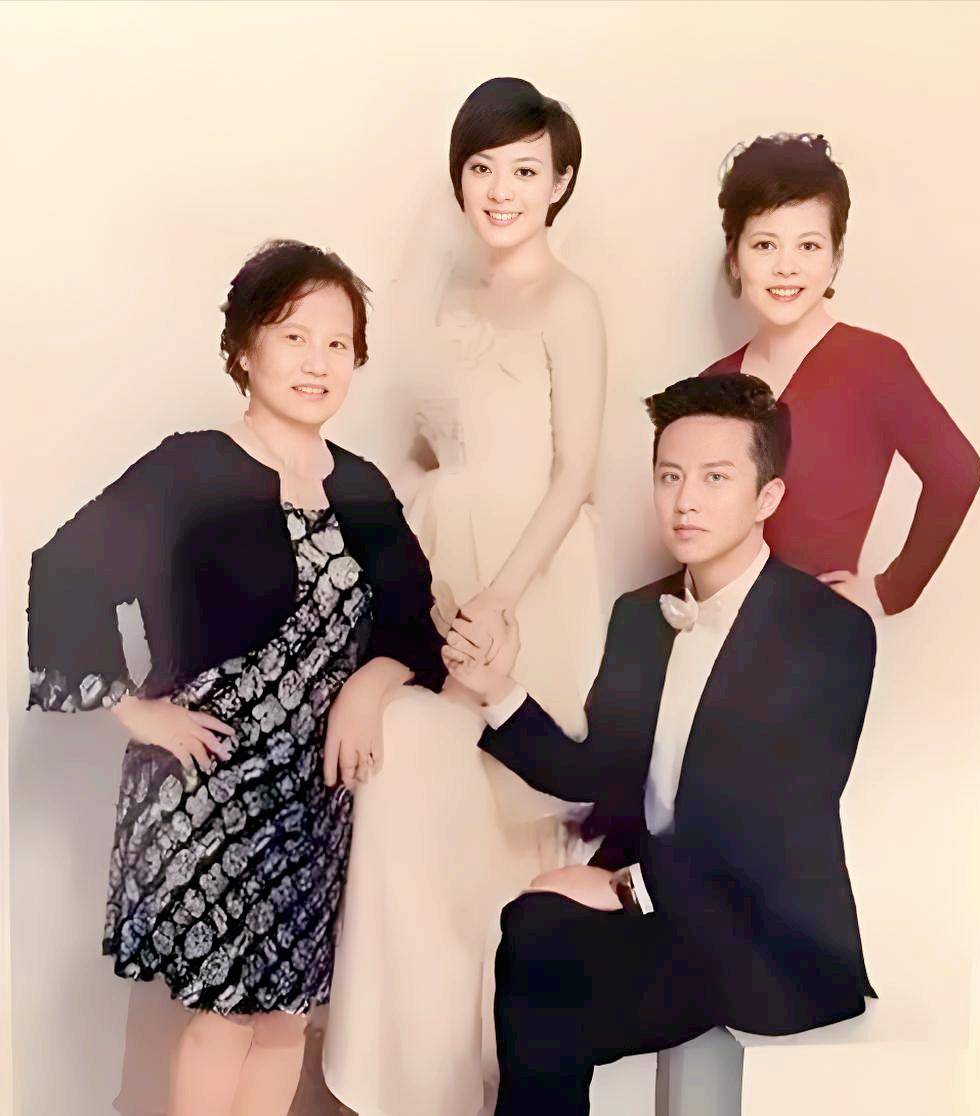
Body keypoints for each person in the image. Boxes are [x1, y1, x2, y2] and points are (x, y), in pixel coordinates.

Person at [26, 239, 444, 1116]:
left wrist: (368, 687)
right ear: (245, 348)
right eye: (294, 336)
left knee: (286, 1018)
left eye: (338, 344)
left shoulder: (362, 488)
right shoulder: (193, 466)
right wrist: (134, 710)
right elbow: (66, 565)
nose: (317, 362)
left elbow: (415, 622)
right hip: (208, 785)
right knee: (224, 1018)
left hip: (313, 800)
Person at [444, 373, 877, 1116]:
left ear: (768, 497)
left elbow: (775, 818)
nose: (685, 501)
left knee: (547, 994)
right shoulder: (640, 615)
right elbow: (596, 771)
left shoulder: (828, 630)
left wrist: (625, 887)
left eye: (715, 478)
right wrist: (494, 688)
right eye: (670, 476)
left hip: (767, 935)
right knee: (534, 934)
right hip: (673, 922)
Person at [323, 77, 606, 1115]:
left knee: (505, 813)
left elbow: (575, 471)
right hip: (448, 566)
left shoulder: (570, 302)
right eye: (482, 168)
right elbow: (423, 451)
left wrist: (500, 598)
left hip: (533, 579)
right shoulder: (447, 304)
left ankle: (499, 1075)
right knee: (423, 794)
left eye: (524, 170)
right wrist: (410, 565)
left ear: (559, 182)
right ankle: (413, 1077)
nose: (500, 189)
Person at [704, 133, 980, 615]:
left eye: (809, 246)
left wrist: (889, 590)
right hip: (718, 629)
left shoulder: (875, 363)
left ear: (836, 258)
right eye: (765, 244)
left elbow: (959, 474)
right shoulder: (712, 383)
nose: (786, 267)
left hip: (817, 636)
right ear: (734, 256)